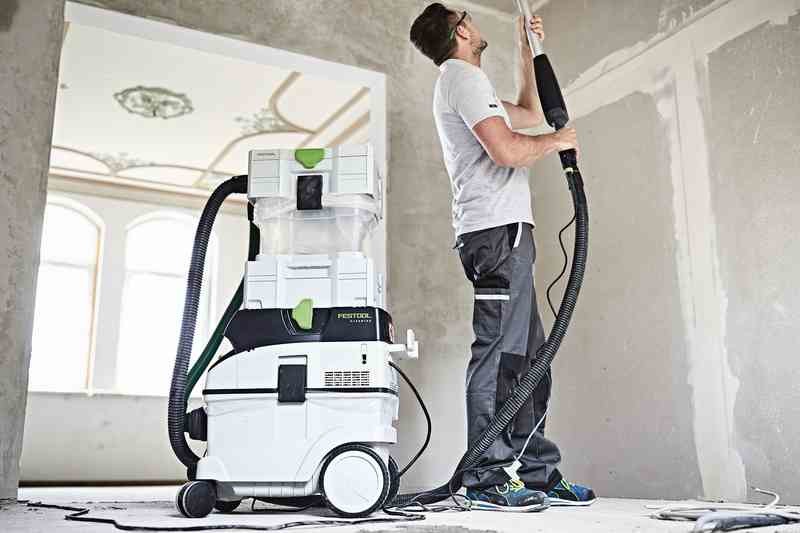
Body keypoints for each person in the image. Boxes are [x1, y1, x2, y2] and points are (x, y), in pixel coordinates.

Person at [409, 3, 596, 509]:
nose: (472, 20)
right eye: (465, 16)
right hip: (495, 234)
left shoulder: (471, 83)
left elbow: (528, 112)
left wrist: (523, 44)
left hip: (506, 232)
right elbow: (508, 150)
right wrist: (557, 141)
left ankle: (537, 471)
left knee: (531, 359)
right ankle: (486, 477)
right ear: (460, 31)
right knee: (498, 356)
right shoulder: (461, 79)